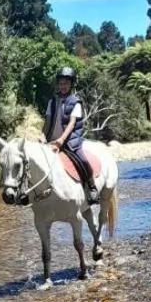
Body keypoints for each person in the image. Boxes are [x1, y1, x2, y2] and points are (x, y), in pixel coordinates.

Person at [43, 66, 99, 204]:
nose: (63, 86)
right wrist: (42, 136)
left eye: (66, 84)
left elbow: (72, 124)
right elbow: (47, 122)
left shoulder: (76, 102)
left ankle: (92, 187)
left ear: (71, 84)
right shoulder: (52, 101)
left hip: (70, 141)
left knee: (83, 160)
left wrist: (61, 141)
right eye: (61, 83)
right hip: (51, 141)